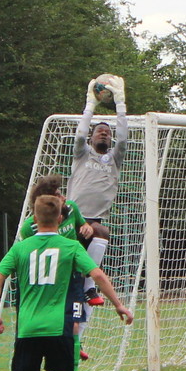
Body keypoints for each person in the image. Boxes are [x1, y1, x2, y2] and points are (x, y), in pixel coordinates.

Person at [0, 194, 132, 371]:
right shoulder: (70, 246)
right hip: (60, 326)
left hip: (28, 327)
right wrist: (119, 305)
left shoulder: (21, 248)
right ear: (61, 217)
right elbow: (97, 274)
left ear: (34, 218)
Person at [6, 175, 93, 371]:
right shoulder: (29, 227)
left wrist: (86, 228)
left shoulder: (71, 209)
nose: (62, 197)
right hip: (37, 285)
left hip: (70, 279)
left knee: (73, 326)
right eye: (57, 195)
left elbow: (83, 225)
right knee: (26, 324)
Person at [67, 76, 127, 285]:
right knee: (70, 265)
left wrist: (120, 102)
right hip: (73, 217)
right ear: (92, 138)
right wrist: (90, 104)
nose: (104, 134)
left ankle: (90, 285)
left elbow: (123, 137)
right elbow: (80, 134)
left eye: (107, 133)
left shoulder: (114, 158)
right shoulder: (82, 153)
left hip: (95, 220)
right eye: (99, 131)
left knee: (101, 231)